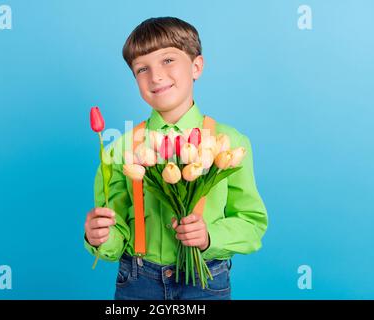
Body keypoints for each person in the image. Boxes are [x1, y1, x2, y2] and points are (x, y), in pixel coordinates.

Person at [84, 16, 268, 300]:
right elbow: (116, 229)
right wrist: (100, 237)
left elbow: (251, 223)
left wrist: (210, 238)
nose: (155, 76)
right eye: (142, 68)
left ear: (197, 66)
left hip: (205, 281)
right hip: (137, 280)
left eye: (168, 60)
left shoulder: (230, 143)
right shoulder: (120, 148)